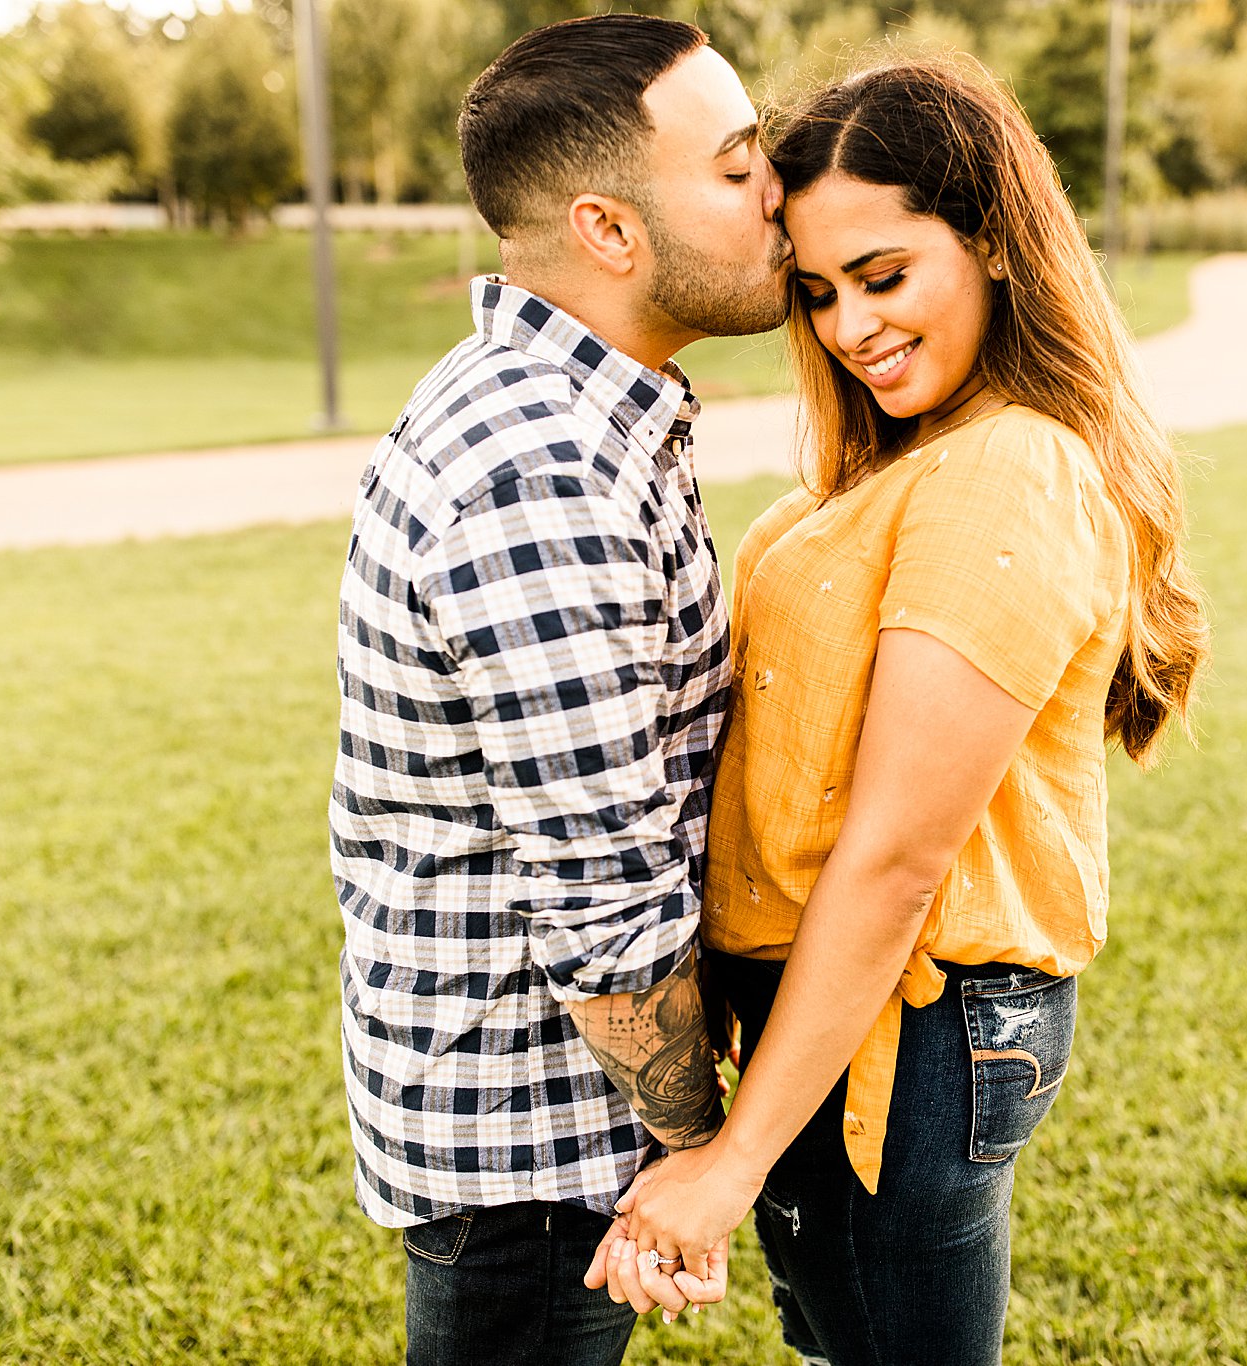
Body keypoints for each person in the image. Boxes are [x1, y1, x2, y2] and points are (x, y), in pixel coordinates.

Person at [593, 56, 1210, 1364]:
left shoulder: (1009, 469)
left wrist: (731, 1158)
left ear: (990, 240)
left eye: (883, 276)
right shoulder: (910, 460)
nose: (850, 327)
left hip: (915, 1030)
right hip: (826, 1010)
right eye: (816, 292)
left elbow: (895, 856)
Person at [327, 14, 790, 1365]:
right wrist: (700, 1148)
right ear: (609, 228)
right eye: (737, 164)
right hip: (533, 1146)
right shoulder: (542, 474)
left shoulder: (573, 413)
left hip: (530, 1117)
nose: (780, 190)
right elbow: (603, 890)